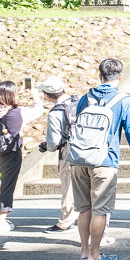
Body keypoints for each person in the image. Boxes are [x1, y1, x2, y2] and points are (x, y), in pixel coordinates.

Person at [69, 58, 130, 260]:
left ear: (99, 76)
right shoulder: (124, 100)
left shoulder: (86, 98)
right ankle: (95, 255)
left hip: (78, 160)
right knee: (100, 210)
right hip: (104, 160)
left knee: (84, 209)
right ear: (120, 77)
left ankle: (84, 252)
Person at [37, 77, 81, 235]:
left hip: (68, 152)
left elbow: (54, 142)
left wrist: (46, 146)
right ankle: (81, 218)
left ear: (48, 96)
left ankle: (65, 222)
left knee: (68, 186)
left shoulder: (55, 113)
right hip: (86, 149)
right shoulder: (78, 102)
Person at [0, 79, 42, 233]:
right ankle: (1, 222)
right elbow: (39, 110)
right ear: (13, 95)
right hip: (11, 154)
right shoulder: (18, 112)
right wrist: (34, 94)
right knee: (7, 186)